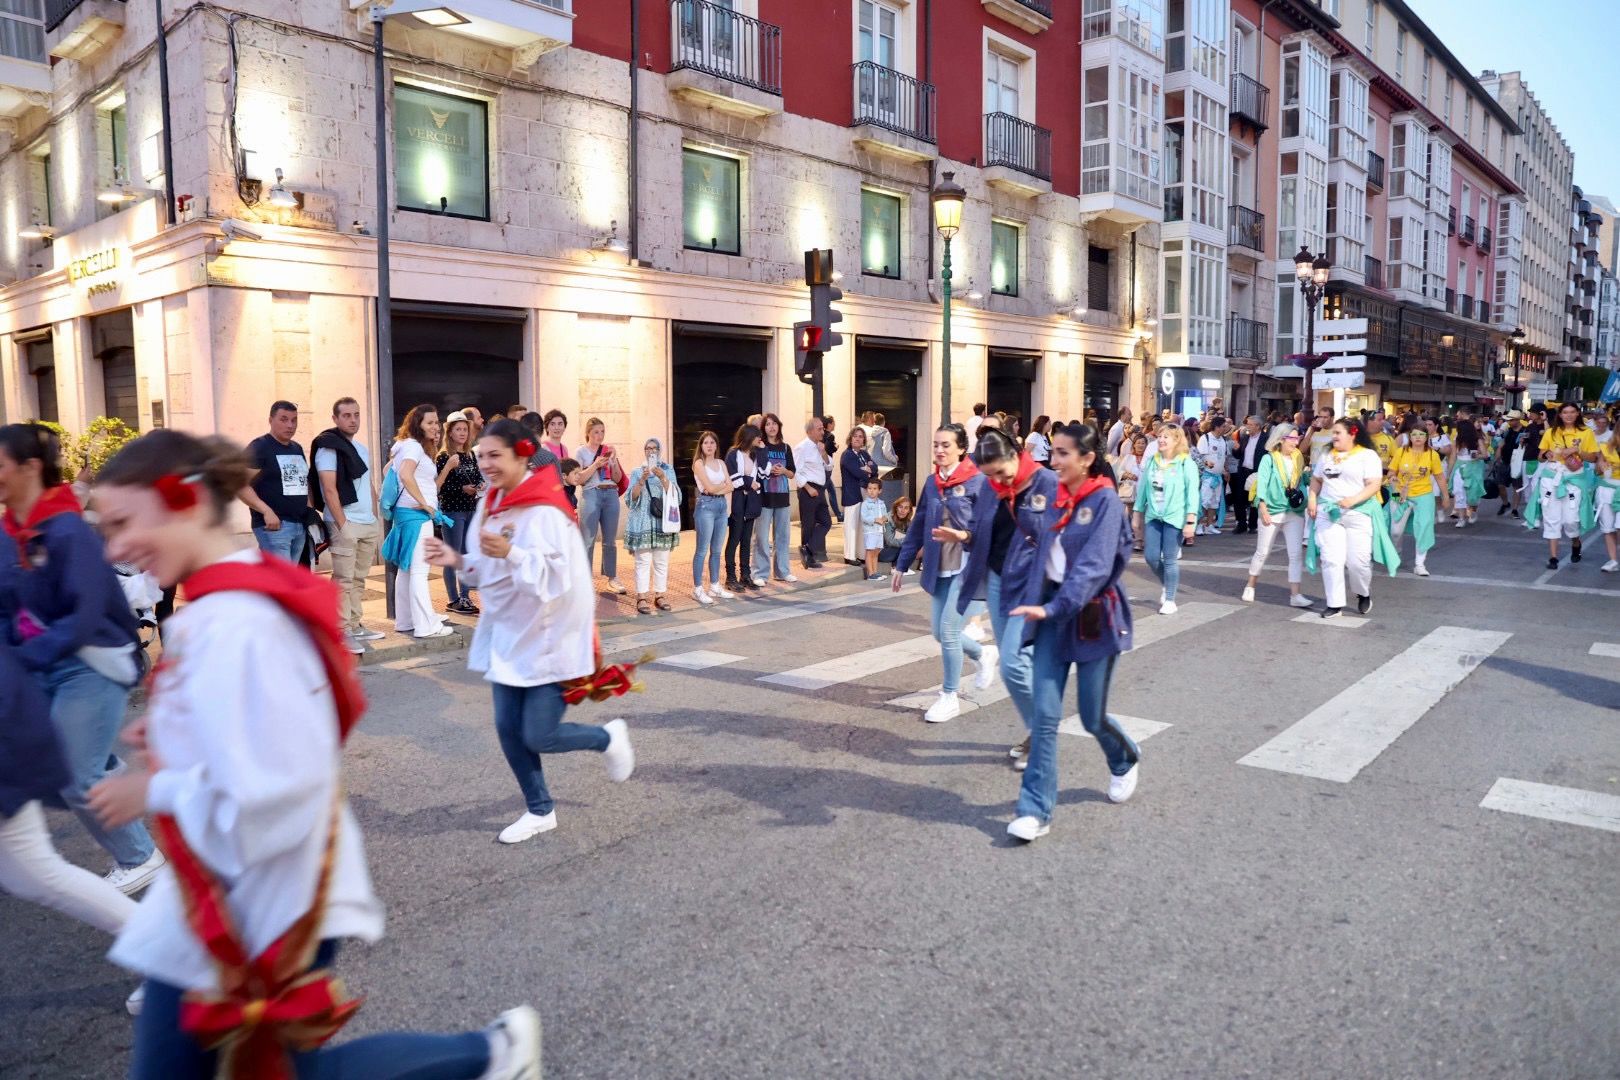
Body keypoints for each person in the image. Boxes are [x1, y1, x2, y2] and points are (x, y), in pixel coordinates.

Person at [87, 429, 543, 1077]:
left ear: (184, 498)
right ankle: (489, 1054)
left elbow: (283, 783)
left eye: (124, 522)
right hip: (222, 890)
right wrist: (172, 741)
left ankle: (488, 1054)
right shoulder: (220, 606)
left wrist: (152, 790)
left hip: (268, 898)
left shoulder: (242, 620)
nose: (116, 546)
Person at [0, 423, 163, 895]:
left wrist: (27, 655)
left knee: (75, 773)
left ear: (30, 468)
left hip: (92, 662)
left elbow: (86, 613)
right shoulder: (10, 531)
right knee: (57, 766)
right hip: (44, 662)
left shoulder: (68, 530)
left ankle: (140, 856)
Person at [1005, 423, 1140, 843]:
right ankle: (1034, 810)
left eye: (1064, 453)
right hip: (1049, 620)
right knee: (1045, 718)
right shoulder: (1050, 497)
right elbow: (1027, 547)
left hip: (1093, 619)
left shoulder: (1104, 502)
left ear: (1086, 458)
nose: (1055, 460)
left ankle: (1123, 758)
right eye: (1053, 452)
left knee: (1090, 716)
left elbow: (1095, 568)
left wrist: (1052, 607)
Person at [0, 620, 139, 995]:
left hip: (79, 671)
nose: (123, 555)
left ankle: (171, 951)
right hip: (46, 686)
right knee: (31, 874)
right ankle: (169, 951)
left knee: (37, 871)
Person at [960, 429, 1058, 772]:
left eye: (1002, 472)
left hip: (1032, 584)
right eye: (989, 475)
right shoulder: (988, 486)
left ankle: (1044, 734)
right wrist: (964, 535)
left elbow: (1060, 537)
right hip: (999, 579)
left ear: (1018, 453)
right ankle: (1038, 729)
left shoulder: (1048, 482)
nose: (998, 480)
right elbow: (980, 527)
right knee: (1014, 666)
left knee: (1013, 662)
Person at [892, 424, 995, 724]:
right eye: (936, 444)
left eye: (946, 445)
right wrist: (902, 563)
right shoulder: (932, 482)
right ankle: (982, 654)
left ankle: (949, 696)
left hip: (970, 570)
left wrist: (964, 535)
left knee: (949, 631)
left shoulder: (980, 483)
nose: (939, 450)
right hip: (941, 569)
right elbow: (919, 524)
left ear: (962, 449)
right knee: (938, 632)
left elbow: (988, 530)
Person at [1307, 418, 1399, 618]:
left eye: (1338, 432)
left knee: (1358, 563)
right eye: (1333, 433)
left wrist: (1353, 500)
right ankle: (1335, 603)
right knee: (1331, 559)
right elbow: (1316, 479)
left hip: (1359, 513)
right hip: (1329, 513)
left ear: (1353, 433)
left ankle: (1363, 592)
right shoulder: (1326, 454)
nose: (1334, 436)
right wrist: (1312, 499)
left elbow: (1374, 485)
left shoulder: (1367, 456)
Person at [311, 397, 382, 655]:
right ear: (335, 419)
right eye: (347, 415)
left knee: (359, 578)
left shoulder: (361, 448)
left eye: (356, 415)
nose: (353, 420)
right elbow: (329, 488)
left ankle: (354, 624)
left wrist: (374, 515)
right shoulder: (328, 448)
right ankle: (341, 631)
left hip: (367, 522)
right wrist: (343, 524)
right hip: (346, 523)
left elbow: (369, 483)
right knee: (343, 580)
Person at [382, 405, 453, 640]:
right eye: (429, 422)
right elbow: (404, 474)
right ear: (417, 424)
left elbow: (388, 471)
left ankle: (406, 620)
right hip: (416, 516)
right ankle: (425, 625)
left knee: (407, 570)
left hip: (406, 515)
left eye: (436, 422)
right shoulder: (412, 446)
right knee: (420, 572)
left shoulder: (404, 446)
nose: (435, 426)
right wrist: (424, 503)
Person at [1240, 424, 1313, 607]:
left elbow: (1300, 480)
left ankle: (1295, 595)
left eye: (1298, 438)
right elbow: (1262, 483)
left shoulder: (1298, 458)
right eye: (1293, 439)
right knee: (1263, 551)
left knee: (1295, 555)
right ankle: (1250, 585)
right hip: (1272, 510)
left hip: (1293, 511)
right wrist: (1262, 507)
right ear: (1281, 439)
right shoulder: (1269, 459)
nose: (1296, 443)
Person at [1133, 425, 1199, 615]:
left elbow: (1192, 495)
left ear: (1177, 440)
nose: (1161, 440)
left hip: (1175, 517)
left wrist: (1190, 522)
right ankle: (1168, 583)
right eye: (1160, 436)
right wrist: (1137, 514)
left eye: (1166, 437)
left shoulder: (1186, 463)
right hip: (1154, 515)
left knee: (1170, 559)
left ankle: (1170, 599)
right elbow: (1143, 488)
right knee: (1151, 557)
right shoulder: (1153, 461)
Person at [239, 400, 310, 564]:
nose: (290, 425)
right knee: (281, 583)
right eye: (284, 419)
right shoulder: (260, 447)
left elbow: (302, 482)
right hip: (275, 527)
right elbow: (238, 484)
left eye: (294, 420)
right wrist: (266, 511)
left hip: (299, 525)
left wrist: (309, 512)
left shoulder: (297, 448)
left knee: (288, 582)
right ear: (271, 420)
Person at [624, 437, 680, 615]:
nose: (651, 451)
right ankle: (641, 596)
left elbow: (677, 496)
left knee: (661, 561)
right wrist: (641, 481)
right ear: (644, 451)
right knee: (643, 561)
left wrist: (663, 477)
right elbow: (630, 499)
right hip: (643, 522)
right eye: (648, 448)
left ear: (660, 450)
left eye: (655, 448)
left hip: (662, 522)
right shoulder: (636, 471)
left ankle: (660, 595)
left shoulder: (667, 469)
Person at [436, 410, 484, 616]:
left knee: (467, 554)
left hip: (470, 508)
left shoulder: (471, 454)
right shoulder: (443, 456)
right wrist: (461, 489)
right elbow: (438, 487)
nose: (463, 433)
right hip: (452, 510)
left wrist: (479, 484)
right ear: (450, 432)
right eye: (458, 429)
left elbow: (478, 474)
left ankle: (465, 597)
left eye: (465, 429)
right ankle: (453, 598)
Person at [1386, 425, 1448, 578]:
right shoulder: (1401, 451)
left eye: (1421, 435)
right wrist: (1392, 476)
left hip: (1424, 494)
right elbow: (1391, 471)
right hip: (1398, 493)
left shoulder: (1432, 455)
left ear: (1426, 437)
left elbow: (1439, 477)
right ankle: (1396, 556)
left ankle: (1420, 564)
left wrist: (1445, 496)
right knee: (1395, 531)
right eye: (1414, 435)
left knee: (1424, 528)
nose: (1418, 438)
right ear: (1410, 437)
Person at [575, 417, 628, 595]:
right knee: (588, 540)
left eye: (602, 431)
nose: (600, 435)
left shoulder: (608, 450)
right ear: (588, 433)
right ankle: (585, 579)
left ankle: (611, 577)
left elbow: (618, 478)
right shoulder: (581, 452)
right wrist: (595, 464)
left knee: (610, 540)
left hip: (611, 493)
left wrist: (613, 461)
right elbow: (578, 479)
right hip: (591, 494)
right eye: (596, 432)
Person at [690, 430, 732, 605]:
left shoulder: (721, 463)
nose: (709, 445)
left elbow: (730, 486)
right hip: (705, 507)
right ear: (701, 446)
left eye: (712, 442)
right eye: (705, 443)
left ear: (716, 445)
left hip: (722, 506)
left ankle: (714, 585)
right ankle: (697, 588)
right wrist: (717, 487)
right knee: (702, 550)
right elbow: (707, 487)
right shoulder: (699, 464)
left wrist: (717, 488)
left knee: (716, 550)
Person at [753, 414, 796, 584]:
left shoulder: (786, 448)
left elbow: (792, 473)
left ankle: (782, 571)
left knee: (782, 537)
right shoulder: (759, 447)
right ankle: (760, 574)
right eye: (768, 424)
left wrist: (783, 471)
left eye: (774, 424)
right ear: (763, 428)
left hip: (783, 497)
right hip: (764, 497)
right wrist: (768, 470)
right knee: (762, 538)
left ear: (779, 426)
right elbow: (754, 470)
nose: (772, 427)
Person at [725, 424, 764, 593]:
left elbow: (764, 473)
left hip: (752, 502)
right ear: (749, 437)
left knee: (747, 540)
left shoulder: (755, 455)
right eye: (757, 437)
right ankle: (730, 577)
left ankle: (745, 575)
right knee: (735, 539)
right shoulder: (733, 454)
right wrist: (750, 483)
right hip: (737, 501)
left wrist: (762, 452)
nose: (759, 440)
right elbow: (734, 481)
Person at [793, 417, 831, 570]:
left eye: (823, 428)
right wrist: (808, 488)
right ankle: (809, 559)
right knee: (808, 524)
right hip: (808, 488)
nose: (823, 431)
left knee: (826, 522)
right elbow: (797, 471)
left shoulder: (819, 447)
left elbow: (829, 467)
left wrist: (823, 453)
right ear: (809, 431)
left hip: (820, 488)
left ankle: (807, 549)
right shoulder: (801, 448)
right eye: (819, 429)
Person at [840, 426, 876, 567]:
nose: (858, 438)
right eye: (855, 436)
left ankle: (860, 555)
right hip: (852, 494)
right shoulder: (847, 455)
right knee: (851, 525)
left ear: (863, 440)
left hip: (864, 493)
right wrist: (866, 470)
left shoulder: (865, 454)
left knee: (862, 525)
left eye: (861, 436)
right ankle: (849, 555)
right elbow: (856, 472)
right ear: (851, 438)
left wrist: (868, 469)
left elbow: (875, 468)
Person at [1446, 419, 1487, 528]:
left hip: (1473, 467)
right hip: (1459, 467)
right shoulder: (1456, 439)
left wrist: (1477, 455)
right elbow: (1453, 456)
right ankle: (1461, 518)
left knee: (1472, 493)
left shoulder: (1477, 439)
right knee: (1459, 492)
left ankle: (1472, 511)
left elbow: (1485, 455)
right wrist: (1449, 473)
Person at [1231, 415, 1266, 534]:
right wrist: (1236, 449)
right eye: (1247, 424)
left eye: (1250, 425)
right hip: (1243, 471)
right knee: (1239, 498)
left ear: (1258, 426)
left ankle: (1252, 525)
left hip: (1256, 472)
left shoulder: (1266, 439)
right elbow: (1238, 455)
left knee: (1254, 499)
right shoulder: (1244, 437)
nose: (1247, 427)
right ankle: (1241, 523)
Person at [1194, 420, 1229, 535]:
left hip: (1218, 476)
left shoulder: (1223, 440)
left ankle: (1209, 525)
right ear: (1216, 427)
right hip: (1207, 476)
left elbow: (1223, 458)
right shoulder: (1205, 438)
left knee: (1215, 502)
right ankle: (1199, 525)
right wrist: (1206, 463)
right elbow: (1199, 457)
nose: (1225, 428)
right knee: (1204, 501)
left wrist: (1225, 471)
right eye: (1223, 426)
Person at [1495, 410, 1528, 518]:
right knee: (1500, 485)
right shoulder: (1507, 430)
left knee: (1517, 486)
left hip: (1517, 462)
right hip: (1504, 461)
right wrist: (1498, 452)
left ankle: (1515, 509)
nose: (1508, 422)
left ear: (1517, 420)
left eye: (1510, 420)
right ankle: (1505, 503)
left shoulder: (1525, 431)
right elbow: (1502, 443)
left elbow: (1527, 446)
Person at [1597, 431, 1620, 572]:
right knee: (1608, 526)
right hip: (1607, 489)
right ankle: (1613, 560)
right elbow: (1597, 471)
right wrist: (1600, 464)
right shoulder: (1605, 447)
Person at [540, 409, 573, 507]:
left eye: (560, 424)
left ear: (564, 427)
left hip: (563, 494)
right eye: (553, 424)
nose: (557, 427)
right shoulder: (543, 448)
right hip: (547, 496)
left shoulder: (565, 448)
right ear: (547, 427)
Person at [858, 478, 889, 580]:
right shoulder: (865, 504)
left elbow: (885, 515)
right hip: (870, 531)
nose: (871, 491)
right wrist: (876, 520)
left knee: (876, 552)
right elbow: (864, 518)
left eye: (875, 488)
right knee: (870, 552)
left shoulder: (881, 503)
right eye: (870, 488)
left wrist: (885, 519)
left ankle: (875, 572)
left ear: (880, 491)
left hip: (879, 531)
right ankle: (870, 574)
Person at [879, 495, 914, 568]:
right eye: (900, 507)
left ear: (909, 511)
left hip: (897, 550)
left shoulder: (908, 522)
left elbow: (912, 537)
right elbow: (890, 541)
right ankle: (897, 567)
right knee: (906, 546)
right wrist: (907, 541)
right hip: (884, 552)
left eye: (906, 508)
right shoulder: (888, 519)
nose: (902, 510)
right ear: (896, 508)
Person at [821, 416, 844, 526]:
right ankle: (824, 515)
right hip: (826, 467)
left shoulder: (821, 434)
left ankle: (839, 514)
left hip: (822, 468)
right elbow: (827, 449)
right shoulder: (830, 436)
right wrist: (835, 447)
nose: (835, 425)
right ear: (829, 424)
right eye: (833, 423)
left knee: (832, 491)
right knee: (821, 492)